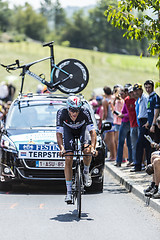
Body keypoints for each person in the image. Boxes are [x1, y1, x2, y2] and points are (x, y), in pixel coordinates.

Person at [56, 95, 97, 203]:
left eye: (77, 110)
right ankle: (69, 192)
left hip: (82, 129)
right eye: (72, 110)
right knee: (68, 158)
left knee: (87, 151)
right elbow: (59, 134)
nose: (74, 113)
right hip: (68, 130)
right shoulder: (61, 113)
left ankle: (86, 171)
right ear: (67, 108)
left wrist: (93, 148)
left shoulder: (85, 112)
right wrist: (61, 148)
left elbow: (92, 132)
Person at [131, 83, 150, 172]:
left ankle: (138, 165)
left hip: (145, 121)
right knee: (145, 144)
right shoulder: (138, 100)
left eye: (137, 91)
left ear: (141, 90)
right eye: (134, 91)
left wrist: (148, 122)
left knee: (140, 144)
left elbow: (148, 111)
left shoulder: (145, 98)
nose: (135, 93)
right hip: (141, 122)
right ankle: (146, 164)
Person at [114, 87, 132, 167]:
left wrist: (122, 115)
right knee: (128, 142)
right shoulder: (126, 100)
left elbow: (129, 113)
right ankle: (129, 160)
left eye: (122, 94)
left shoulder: (128, 100)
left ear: (126, 93)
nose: (120, 95)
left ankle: (119, 161)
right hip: (126, 122)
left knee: (122, 142)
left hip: (126, 122)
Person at [125, 86, 139, 166]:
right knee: (133, 144)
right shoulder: (126, 100)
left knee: (139, 144)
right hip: (132, 124)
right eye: (129, 92)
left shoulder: (137, 100)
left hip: (138, 124)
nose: (131, 94)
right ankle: (134, 160)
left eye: (131, 92)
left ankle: (140, 161)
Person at [102, 86, 116, 160]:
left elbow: (105, 113)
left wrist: (103, 119)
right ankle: (112, 155)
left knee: (110, 140)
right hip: (115, 120)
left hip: (109, 121)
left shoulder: (105, 101)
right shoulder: (113, 98)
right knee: (108, 139)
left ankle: (113, 156)